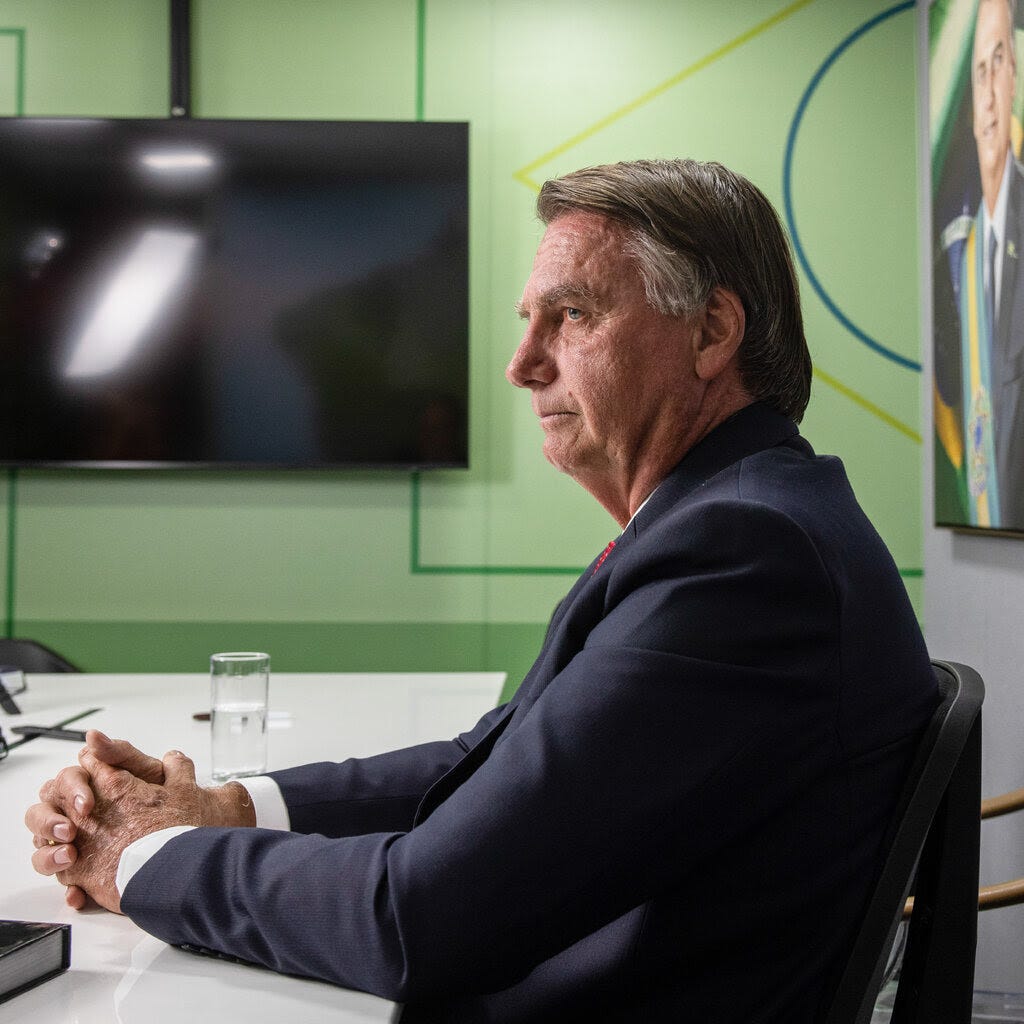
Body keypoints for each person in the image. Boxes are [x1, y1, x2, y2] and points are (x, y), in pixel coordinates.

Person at [25, 158, 938, 1023]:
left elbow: (421, 918)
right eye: (527, 319)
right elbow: (490, 762)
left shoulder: (744, 555)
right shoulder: (741, 516)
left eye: (572, 315)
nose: (522, 363)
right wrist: (227, 809)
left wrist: (140, 857)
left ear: (711, 332)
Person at [937, 0, 1024, 528]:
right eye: (978, 73)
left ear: (1015, 75)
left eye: (1000, 64)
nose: (989, 95)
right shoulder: (956, 250)